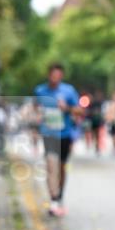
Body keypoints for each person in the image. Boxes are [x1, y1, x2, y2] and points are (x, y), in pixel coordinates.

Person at [33, 64, 81, 217]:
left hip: (64, 134)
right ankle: (53, 200)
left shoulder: (68, 91)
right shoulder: (40, 91)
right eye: (53, 75)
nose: (55, 78)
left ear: (61, 76)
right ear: (49, 75)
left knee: (61, 168)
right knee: (51, 166)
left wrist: (66, 108)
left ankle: (60, 195)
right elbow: (35, 108)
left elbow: (80, 110)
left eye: (58, 75)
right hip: (49, 134)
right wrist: (37, 116)